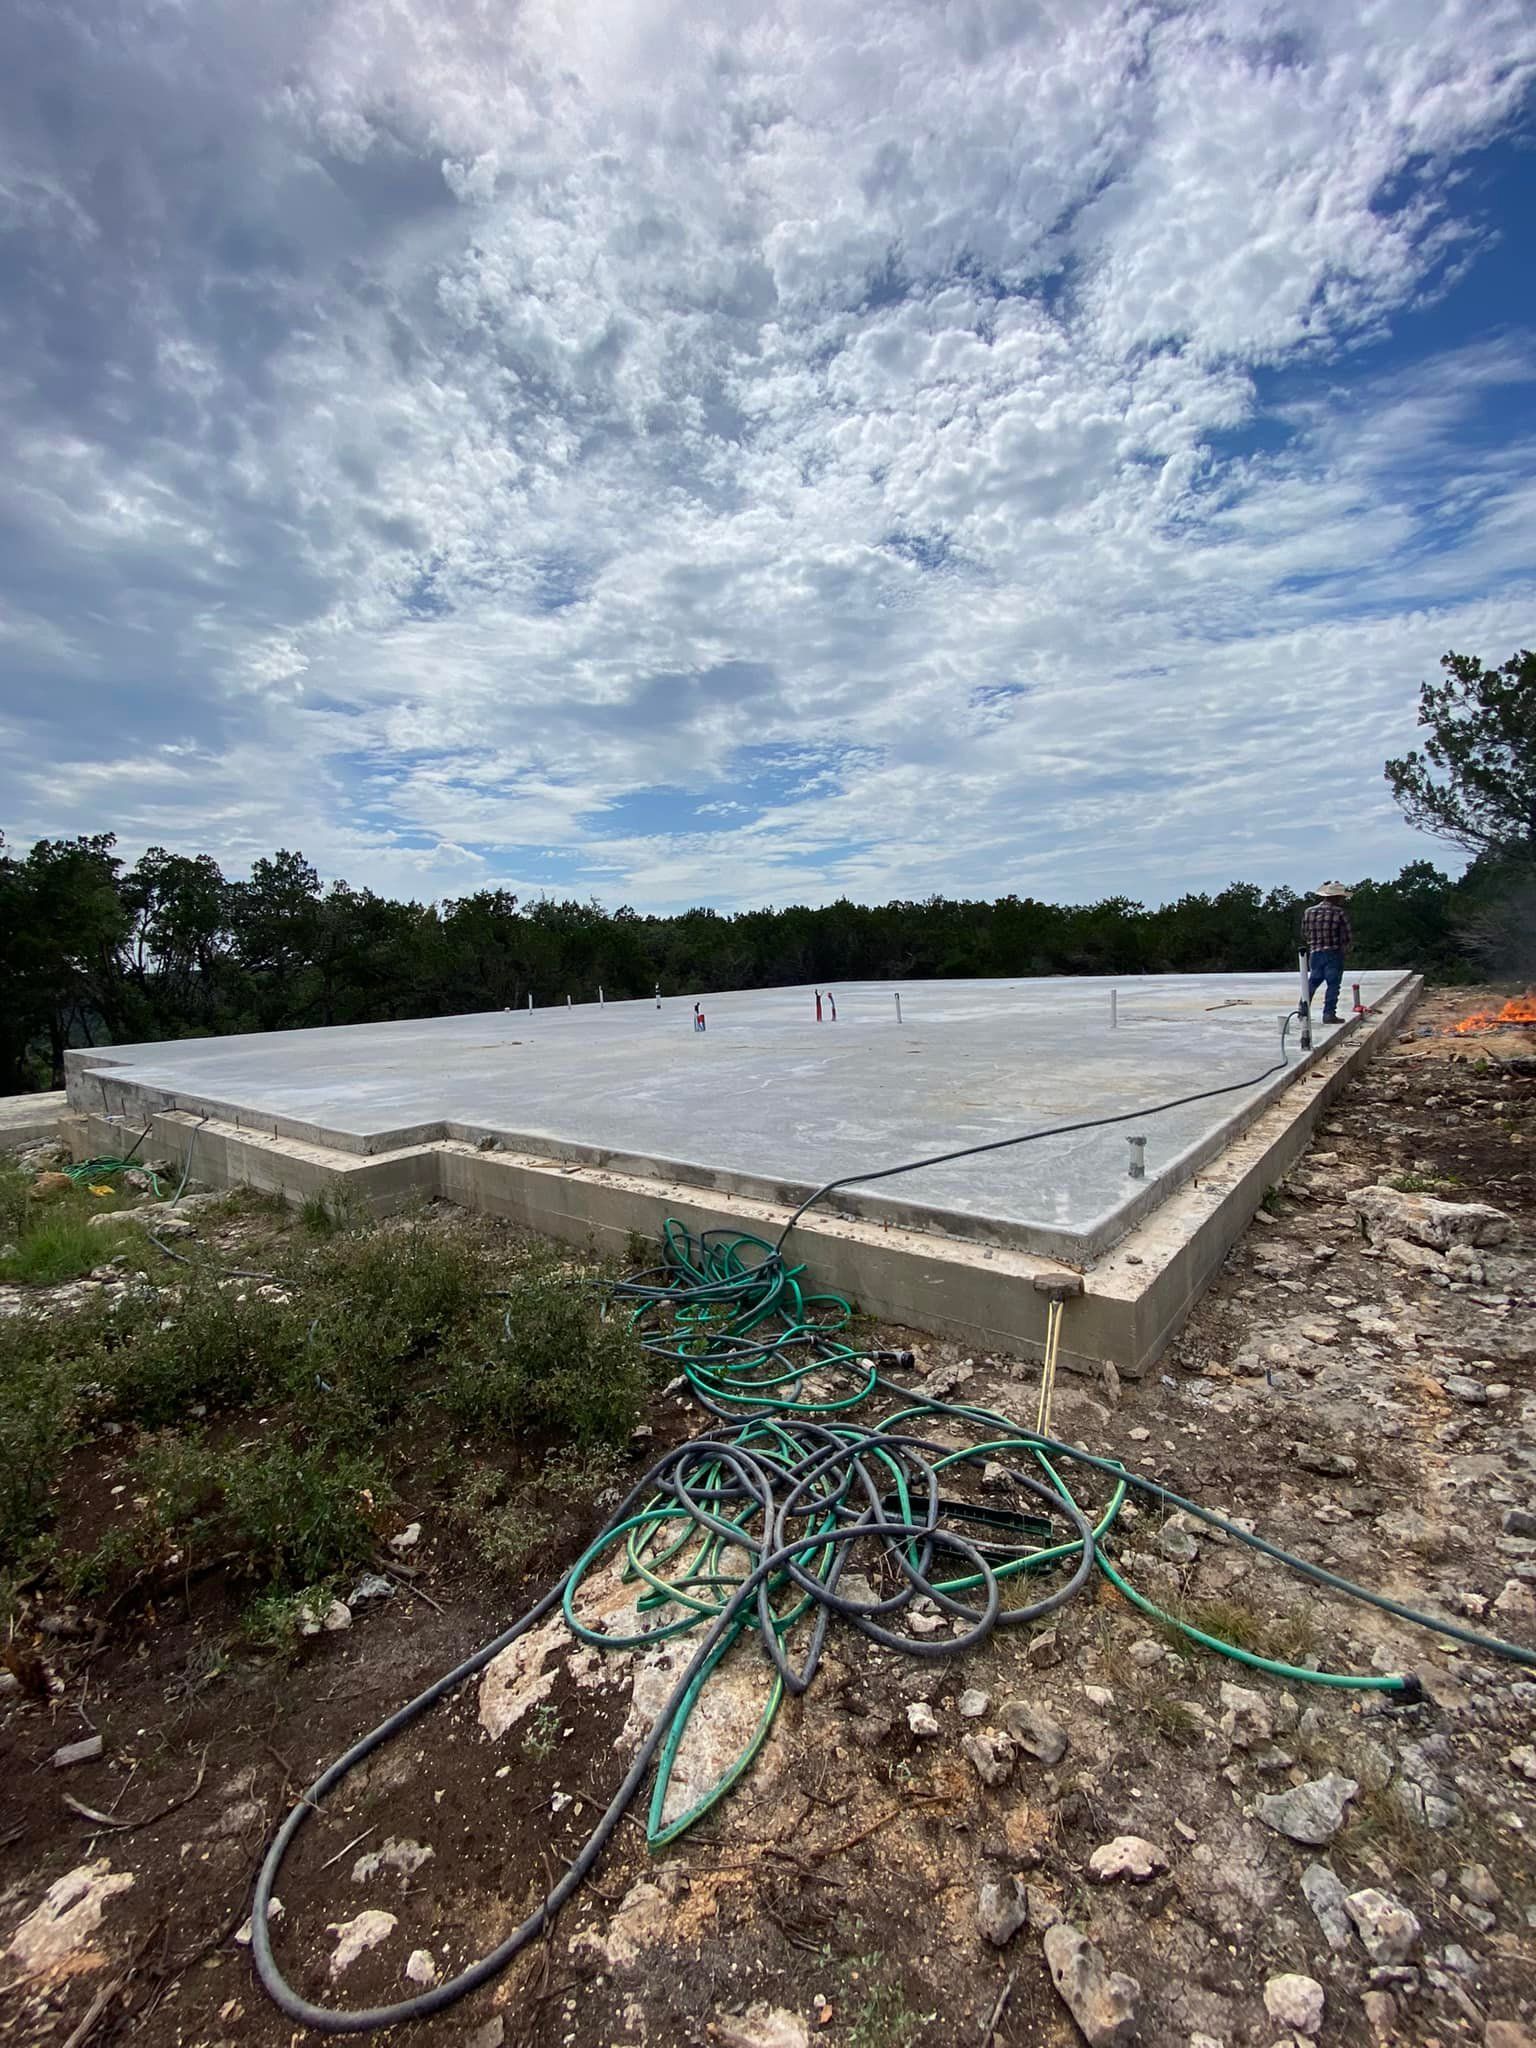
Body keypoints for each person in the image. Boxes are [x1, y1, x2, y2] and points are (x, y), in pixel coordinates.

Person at [1301, 881, 1352, 1024]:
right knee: (1333, 984)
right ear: (1336, 897)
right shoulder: (1339, 912)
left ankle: (1302, 1012)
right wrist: (1345, 948)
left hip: (1315, 952)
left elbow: (1304, 933)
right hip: (1334, 952)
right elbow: (1347, 935)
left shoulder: (1309, 911)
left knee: (1312, 982)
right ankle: (1329, 1014)